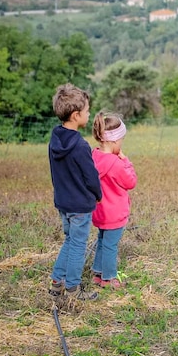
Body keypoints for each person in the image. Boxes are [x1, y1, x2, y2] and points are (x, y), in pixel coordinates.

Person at [48, 83, 101, 305]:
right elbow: (91, 176)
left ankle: (56, 282)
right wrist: (97, 195)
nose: (89, 114)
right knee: (78, 245)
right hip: (79, 205)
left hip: (63, 203)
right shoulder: (80, 145)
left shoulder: (55, 138)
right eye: (87, 111)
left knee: (70, 240)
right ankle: (72, 288)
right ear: (76, 115)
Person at [91, 111, 137, 290]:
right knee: (110, 245)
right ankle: (108, 278)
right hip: (114, 213)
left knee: (102, 240)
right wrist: (126, 161)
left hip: (100, 211)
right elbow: (131, 182)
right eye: (121, 141)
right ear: (113, 141)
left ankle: (97, 273)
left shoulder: (94, 157)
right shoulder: (116, 163)